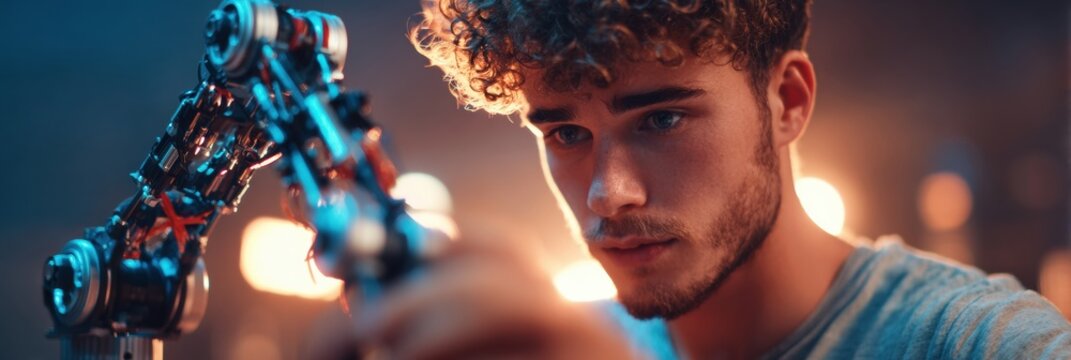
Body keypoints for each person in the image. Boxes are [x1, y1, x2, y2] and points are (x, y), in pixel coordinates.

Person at [333, 1, 1071, 358]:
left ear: (786, 102)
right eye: (566, 134)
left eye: (660, 119)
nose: (607, 192)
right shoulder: (582, 341)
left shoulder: (979, 343)